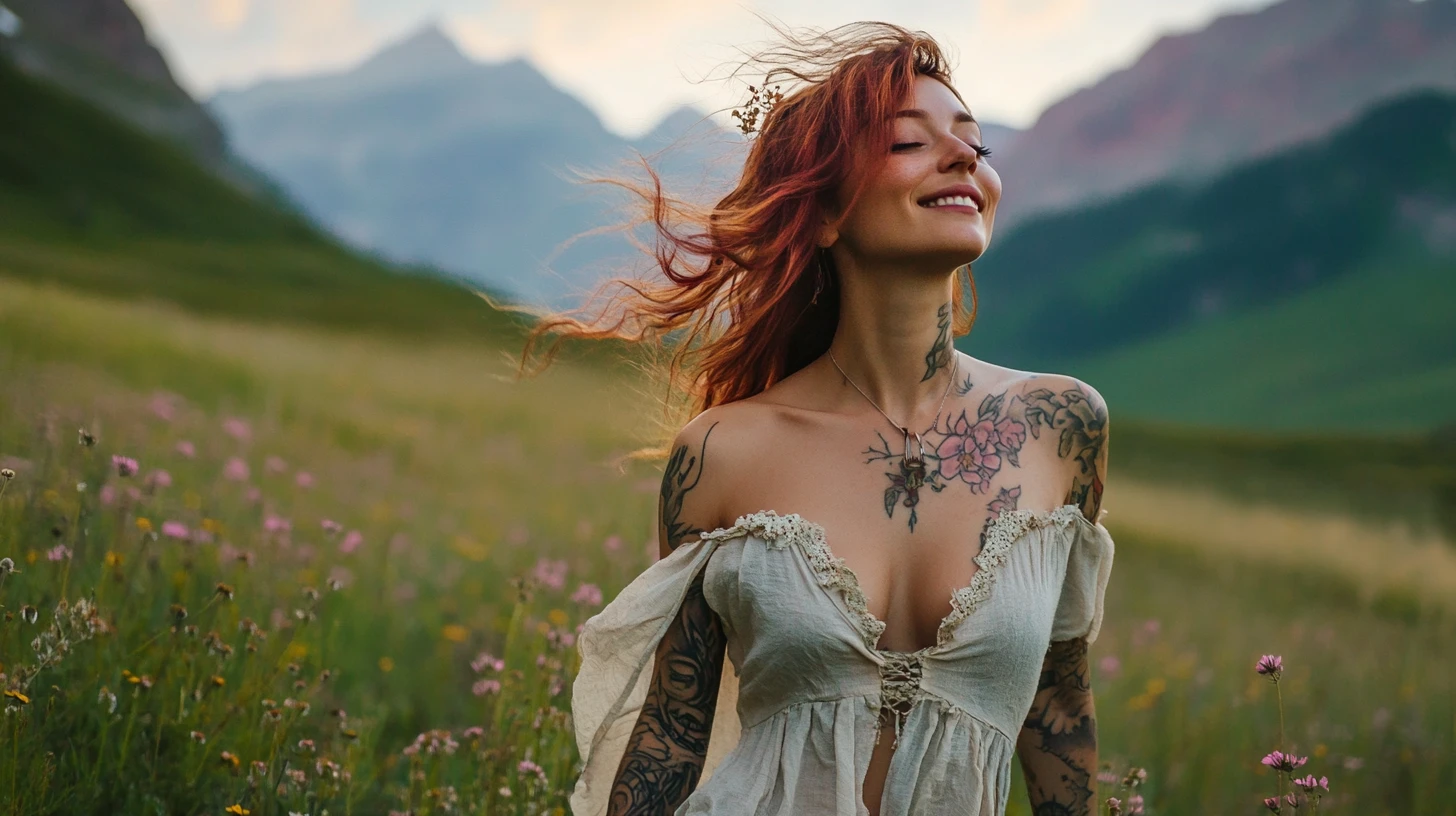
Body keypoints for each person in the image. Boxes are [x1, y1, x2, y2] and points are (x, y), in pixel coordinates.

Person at [510, 18, 1114, 816]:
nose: (966, 156)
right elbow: (669, 735)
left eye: (977, 143)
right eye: (907, 143)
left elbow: (1058, 708)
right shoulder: (721, 453)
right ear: (825, 212)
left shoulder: (1060, 427)